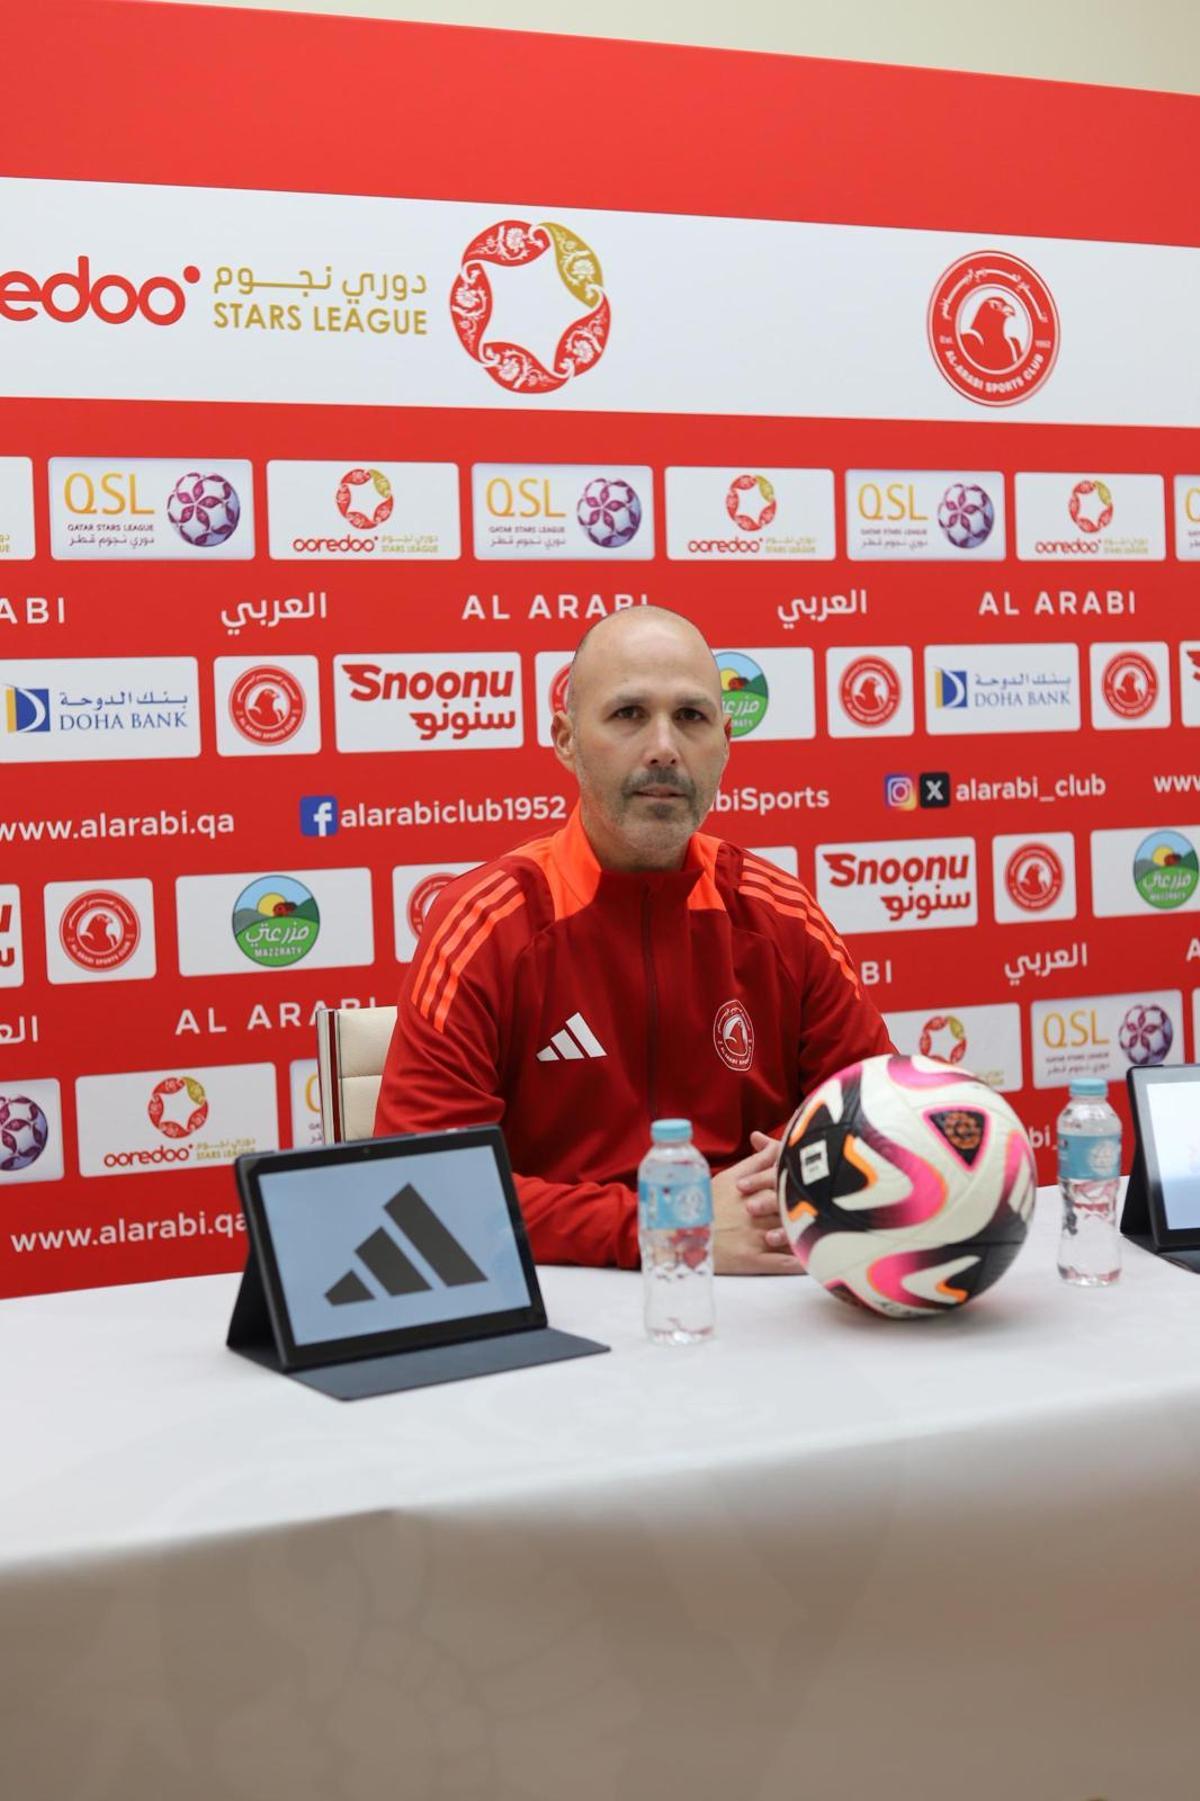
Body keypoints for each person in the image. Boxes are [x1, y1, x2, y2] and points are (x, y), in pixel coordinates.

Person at [374, 606, 892, 1273]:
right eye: (627, 714)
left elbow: (886, 1130)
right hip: (557, 1307)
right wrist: (672, 1224)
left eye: (693, 717)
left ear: (727, 741)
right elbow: (422, 1185)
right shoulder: (486, 925)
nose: (664, 746)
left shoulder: (783, 919)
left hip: (763, 1312)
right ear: (565, 738)